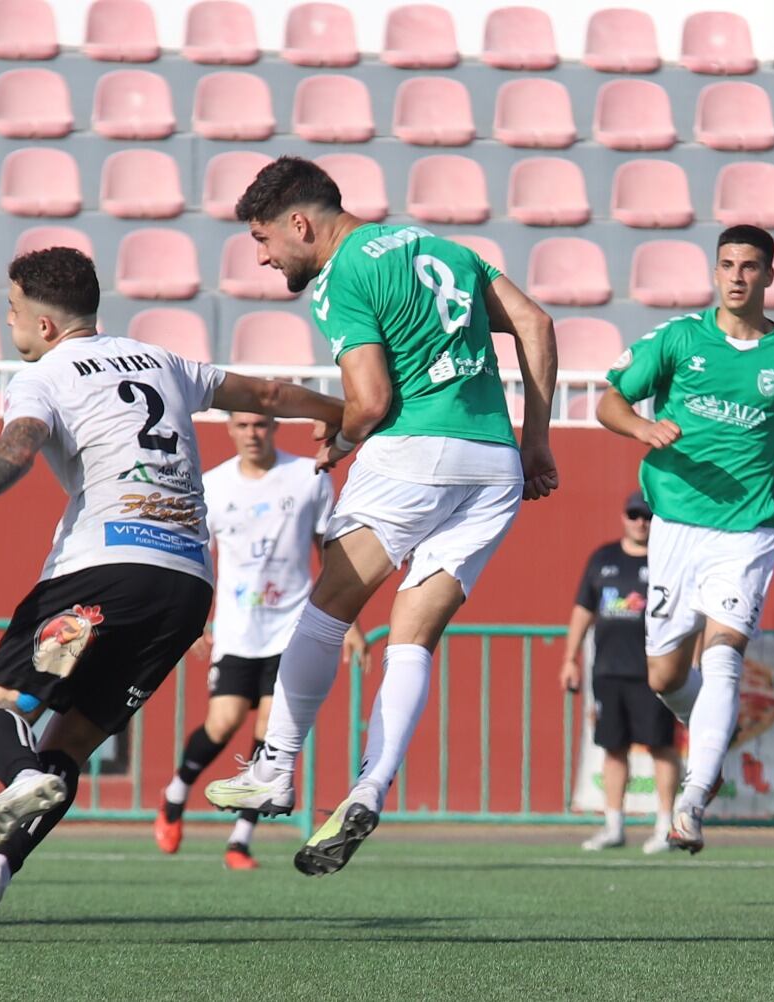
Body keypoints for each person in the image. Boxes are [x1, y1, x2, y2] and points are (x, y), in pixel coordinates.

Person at [0, 247, 348, 941]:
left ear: (41, 325)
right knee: (67, 749)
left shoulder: (45, 375)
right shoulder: (162, 361)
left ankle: (14, 778)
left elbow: (18, 446)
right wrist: (338, 410)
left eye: (11, 309)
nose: (8, 319)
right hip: (186, 589)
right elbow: (271, 398)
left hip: (101, 569)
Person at [203, 155, 560, 876]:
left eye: (265, 241)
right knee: (412, 637)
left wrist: (341, 437)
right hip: (491, 465)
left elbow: (367, 402)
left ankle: (275, 769)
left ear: (301, 223)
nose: (266, 259)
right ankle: (369, 787)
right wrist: (537, 441)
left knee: (328, 607)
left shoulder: (344, 278)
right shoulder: (447, 250)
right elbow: (534, 320)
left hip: (412, 456)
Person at [596, 224, 774, 853]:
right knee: (665, 675)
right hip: (676, 523)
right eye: (726, 264)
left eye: (750, 266)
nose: (736, 276)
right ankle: (707, 725)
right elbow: (610, 402)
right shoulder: (679, 338)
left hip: (751, 526)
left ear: (769, 276)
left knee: (725, 651)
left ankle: (694, 799)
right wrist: (642, 431)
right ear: (714, 271)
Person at [153, 411, 365, 869]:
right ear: (229, 429)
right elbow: (193, 556)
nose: (253, 433)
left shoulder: (307, 477)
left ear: (275, 427)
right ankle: (175, 795)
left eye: (261, 424)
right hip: (236, 629)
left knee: (270, 731)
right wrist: (190, 619)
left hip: (292, 627)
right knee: (223, 723)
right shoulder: (213, 485)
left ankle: (240, 838)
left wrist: (349, 623)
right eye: (243, 425)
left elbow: (331, 551)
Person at [560, 490, 679, 853]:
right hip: (608, 671)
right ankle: (613, 826)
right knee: (613, 749)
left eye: (646, 516)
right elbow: (583, 610)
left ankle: (665, 827)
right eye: (634, 514)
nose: (640, 522)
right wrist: (569, 658)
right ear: (623, 517)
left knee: (661, 746)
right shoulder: (604, 558)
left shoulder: (667, 560)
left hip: (653, 673)